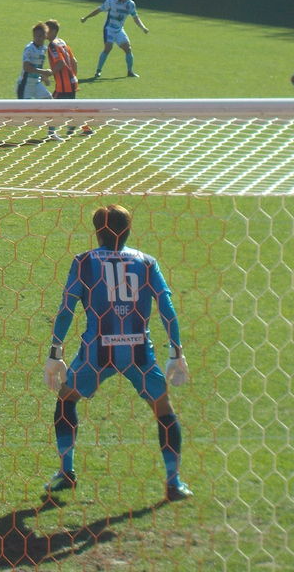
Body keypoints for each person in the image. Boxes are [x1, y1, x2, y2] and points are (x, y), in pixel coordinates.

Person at [42, 204, 192, 501]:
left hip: (96, 352)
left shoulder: (84, 262)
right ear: (128, 231)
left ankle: (66, 472)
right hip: (139, 352)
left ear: (97, 231)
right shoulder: (146, 262)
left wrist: (55, 353)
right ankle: (174, 482)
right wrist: (176, 352)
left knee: (66, 400)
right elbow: (167, 307)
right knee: (164, 410)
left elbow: (66, 309)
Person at [80, 0, 149, 79]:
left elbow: (135, 17)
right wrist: (86, 17)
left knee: (128, 49)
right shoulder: (111, 1)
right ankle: (98, 71)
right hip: (109, 29)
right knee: (108, 48)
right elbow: (99, 9)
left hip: (119, 30)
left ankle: (130, 71)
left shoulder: (130, 4)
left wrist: (143, 27)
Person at [17, 22, 54, 101]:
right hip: (25, 85)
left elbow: (38, 67)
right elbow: (26, 68)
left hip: (36, 83)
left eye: (40, 36)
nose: (37, 38)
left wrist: (44, 77)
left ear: (45, 36)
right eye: (35, 36)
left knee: (49, 100)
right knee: (25, 108)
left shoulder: (43, 49)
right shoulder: (29, 49)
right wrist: (44, 72)